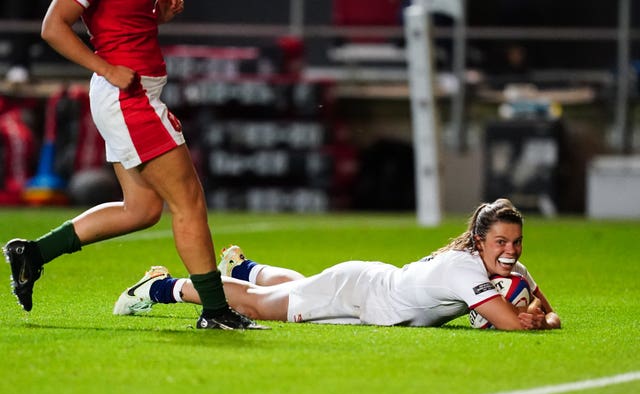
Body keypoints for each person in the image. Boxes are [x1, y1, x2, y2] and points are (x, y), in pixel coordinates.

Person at [2, 0, 264, 330]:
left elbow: (120, 25)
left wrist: (157, 17)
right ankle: (214, 310)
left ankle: (33, 253)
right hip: (128, 98)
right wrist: (107, 68)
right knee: (189, 202)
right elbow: (52, 26)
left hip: (135, 94)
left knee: (141, 209)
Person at [114, 199, 561, 330]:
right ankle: (157, 287)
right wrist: (533, 320)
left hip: (369, 289)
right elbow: (512, 324)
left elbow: (547, 309)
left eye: (517, 242)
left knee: (299, 289)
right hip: (363, 293)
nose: (511, 250)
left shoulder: (511, 272)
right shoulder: (466, 270)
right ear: (480, 240)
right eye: (501, 241)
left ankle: (245, 266)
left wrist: (543, 313)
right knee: (254, 307)